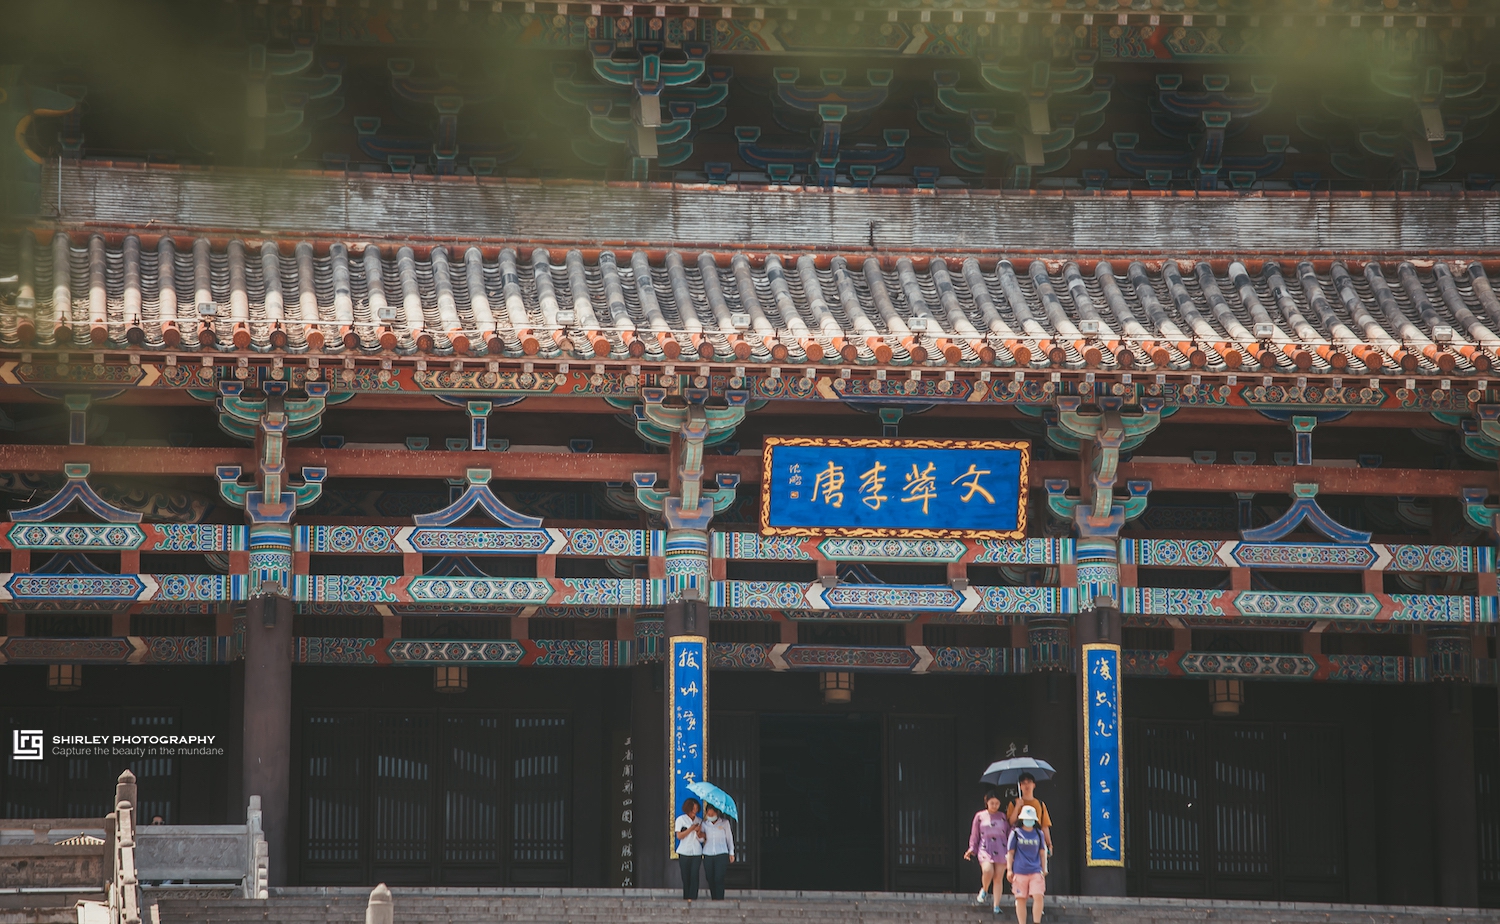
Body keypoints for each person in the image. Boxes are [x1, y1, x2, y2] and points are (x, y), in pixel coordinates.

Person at [963, 790, 1012, 912]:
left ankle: (996, 905)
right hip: (985, 847)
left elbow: (1009, 832)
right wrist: (972, 848)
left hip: (1001, 847)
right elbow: (974, 834)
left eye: (997, 803)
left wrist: (1012, 850)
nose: (994, 806)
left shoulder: (1003, 816)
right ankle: (984, 889)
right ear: (987, 803)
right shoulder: (979, 816)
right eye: (992, 803)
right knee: (987, 870)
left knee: (998, 877)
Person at [1006, 804, 1047, 923]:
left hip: (1035, 870)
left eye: (1031, 819)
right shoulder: (1015, 833)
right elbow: (1010, 853)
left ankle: (1036, 922)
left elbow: (1042, 852)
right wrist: (1009, 869)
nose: (1029, 821)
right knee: (1020, 899)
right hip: (1020, 871)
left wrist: (1044, 868)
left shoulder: (1039, 833)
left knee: (1038, 895)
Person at [1005, 772, 1053, 854]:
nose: (1026, 785)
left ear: (1034, 785)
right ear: (1020, 786)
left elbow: (1044, 826)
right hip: (1020, 842)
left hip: (1037, 842)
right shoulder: (1013, 803)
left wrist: (1049, 844)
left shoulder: (1040, 804)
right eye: (1023, 783)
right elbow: (1011, 823)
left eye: (1029, 782)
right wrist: (1017, 807)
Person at [699, 803, 736, 900]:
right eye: (708, 814)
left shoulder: (725, 823)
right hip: (708, 853)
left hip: (721, 853)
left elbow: (729, 838)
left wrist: (731, 852)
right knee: (710, 877)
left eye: (712, 814)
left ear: (717, 813)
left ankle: (720, 899)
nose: (710, 816)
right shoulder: (704, 824)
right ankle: (714, 898)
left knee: (719, 877)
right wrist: (699, 833)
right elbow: (701, 840)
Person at [673, 797, 705, 899]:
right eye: (693, 808)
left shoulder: (699, 821)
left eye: (696, 809)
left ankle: (693, 897)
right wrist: (691, 829)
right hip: (684, 851)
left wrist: (698, 832)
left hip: (696, 852)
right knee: (685, 876)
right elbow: (679, 836)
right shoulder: (681, 819)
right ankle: (686, 897)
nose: (695, 811)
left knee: (694, 875)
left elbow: (701, 839)